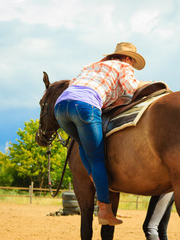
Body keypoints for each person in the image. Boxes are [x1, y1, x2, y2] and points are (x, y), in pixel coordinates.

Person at [54, 42, 150, 226]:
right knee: (98, 159)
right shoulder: (123, 66)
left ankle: (93, 177)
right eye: (132, 62)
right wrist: (150, 84)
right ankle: (105, 210)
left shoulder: (92, 66)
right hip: (85, 105)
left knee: (83, 144)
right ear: (128, 58)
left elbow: (77, 86)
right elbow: (131, 87)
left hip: (61, 107)